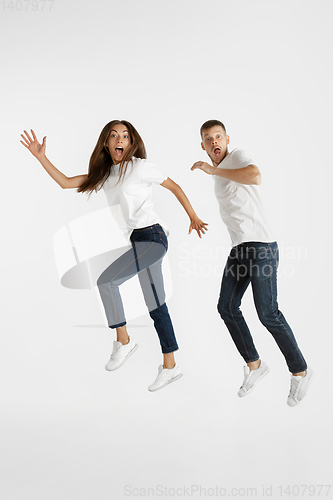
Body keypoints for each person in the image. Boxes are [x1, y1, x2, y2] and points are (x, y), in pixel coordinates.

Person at [20, 120, 208, 392]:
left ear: (131, 143)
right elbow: (65, 183)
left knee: (106, 281)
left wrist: (193, 216)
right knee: (156, 305)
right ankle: (171, 366)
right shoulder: (105, 175)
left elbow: (175, 186)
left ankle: (124, 340)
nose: (120, 139)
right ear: (107, 144)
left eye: (125, 136)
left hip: (153, 236)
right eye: (114, 135)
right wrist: (42, 158)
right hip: (137, 241)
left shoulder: (141, 167)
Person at [191, 119, 312, 406]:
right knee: (226, 306)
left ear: (227, 138)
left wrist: (212, 169)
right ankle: (255, 365)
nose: (214, 142)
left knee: (268, 313)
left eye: (218, 136)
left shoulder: (236, 157)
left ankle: (300, 371)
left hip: (261, 246)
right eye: (208, 139)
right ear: (203, 145)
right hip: (240, 248)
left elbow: (256, 175)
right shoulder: (219, 171)